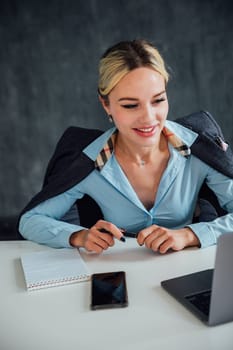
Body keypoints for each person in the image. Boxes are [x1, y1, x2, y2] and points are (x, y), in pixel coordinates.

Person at [18, 39, 233, 254]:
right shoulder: (88, 163)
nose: (149, 118)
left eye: (158, 100)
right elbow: (30, 220)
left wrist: (190, 235)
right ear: (106, 104)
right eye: (131, 105)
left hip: (188, 270)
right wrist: (77, 236)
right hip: (120, 272)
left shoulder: (199, 148)